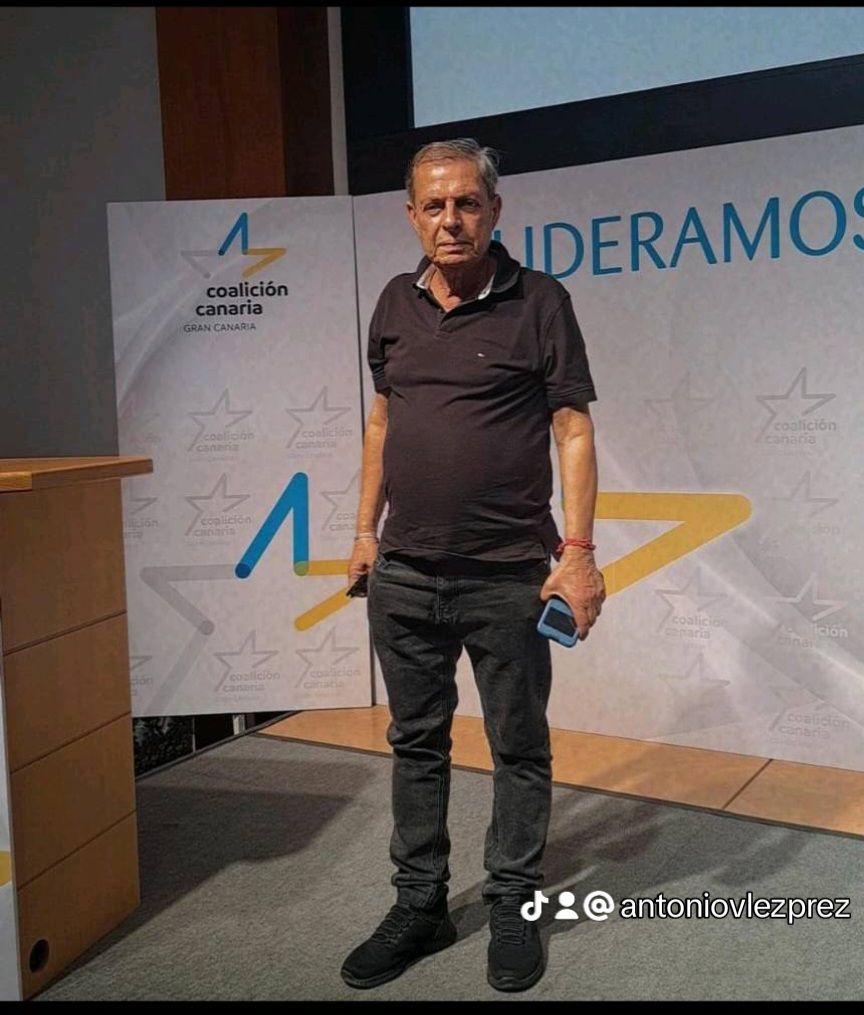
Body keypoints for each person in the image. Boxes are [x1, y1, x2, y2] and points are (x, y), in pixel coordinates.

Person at [341, 138, 605, 993]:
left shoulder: (540, 301)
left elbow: (572, 429)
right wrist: (364, 532)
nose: (450, 219)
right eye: (434, 205)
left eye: (466, 203)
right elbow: (382, 422)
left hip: (507, 576)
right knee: (416, 743)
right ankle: (420, 904)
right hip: (404, 575)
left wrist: (579, 554)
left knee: (517, 745)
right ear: (411, 215)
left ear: (494, 209)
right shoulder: (393, 302)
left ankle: (514, 900)